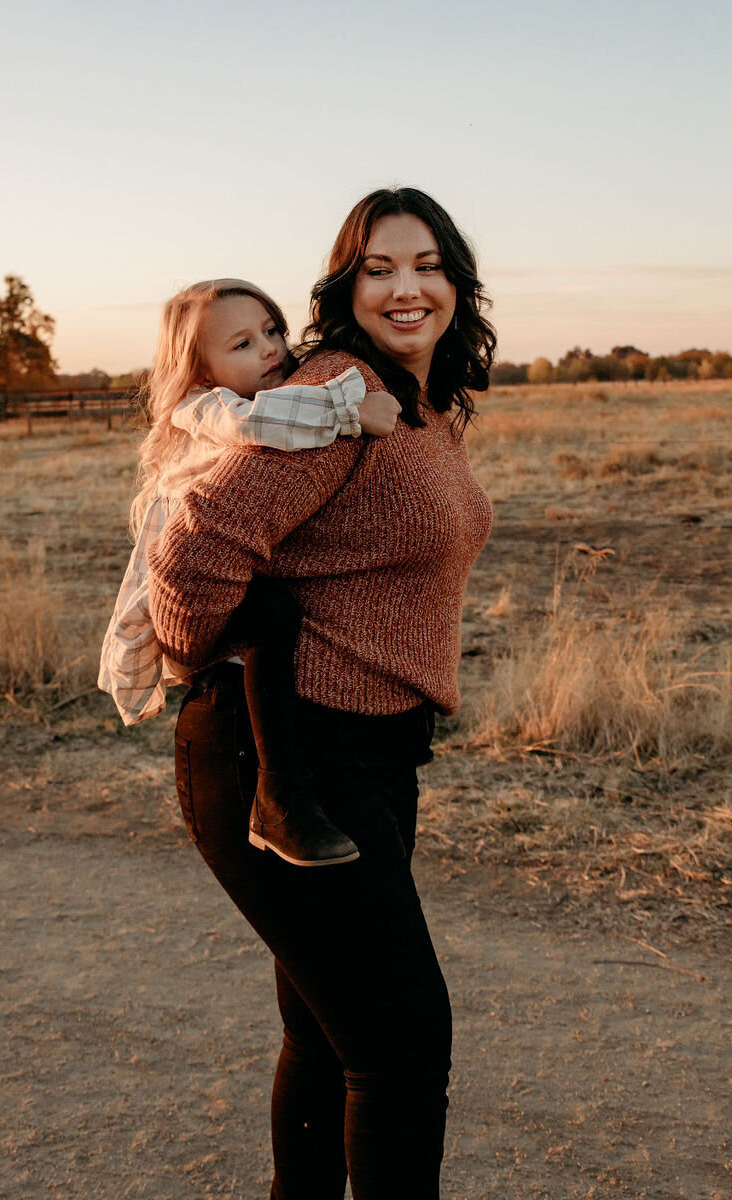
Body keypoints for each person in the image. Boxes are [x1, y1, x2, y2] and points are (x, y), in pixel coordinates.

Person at [148, 188, 496, 1199]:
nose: (405, 286)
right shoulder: (337, 392)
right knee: (401, 1048)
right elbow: (196, 545)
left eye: (426, 264)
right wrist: (208, 653)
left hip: (376, 754)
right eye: (379, 267)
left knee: (329, 1030)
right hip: (285, 758)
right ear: (347, 284)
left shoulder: (415, 405)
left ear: (455, 281)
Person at [98, 277, 401, 864]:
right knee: (271, 615)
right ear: (200, 370)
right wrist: (349, 408)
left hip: (230, 572)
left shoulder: (261, 392)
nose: (270, 349)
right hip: (182, 574)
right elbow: (259, 423)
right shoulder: (207, 407)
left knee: (274, 617)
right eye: (241, 344)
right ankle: (277, 795)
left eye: (272, 330)